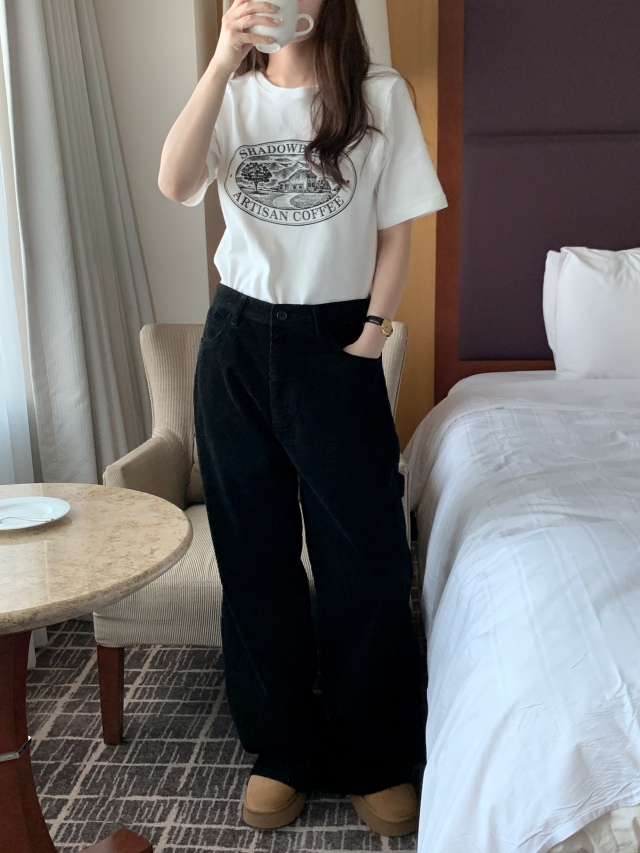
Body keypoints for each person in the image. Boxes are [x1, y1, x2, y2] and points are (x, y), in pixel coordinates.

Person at [158, 0, 447, 836]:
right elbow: (175, 183)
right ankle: (282, 748)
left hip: (338, 338)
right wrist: (220, 62)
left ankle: (373, 754)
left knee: (366, 556)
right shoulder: (229, 94)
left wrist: (372, 332)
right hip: (238, 339)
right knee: (254, 556)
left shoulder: (379, 94)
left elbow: (397, 233)